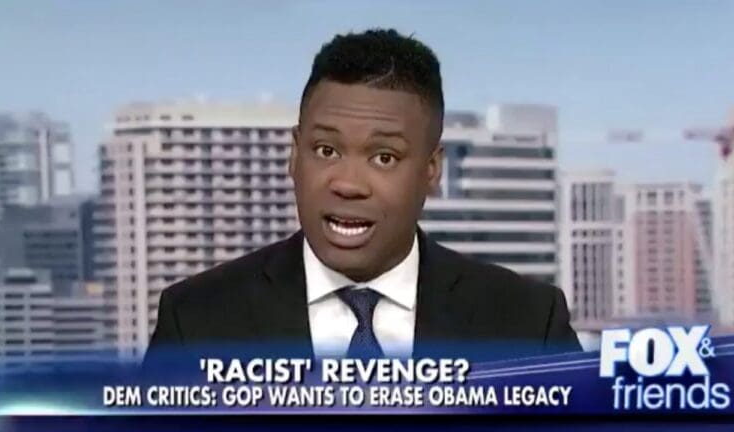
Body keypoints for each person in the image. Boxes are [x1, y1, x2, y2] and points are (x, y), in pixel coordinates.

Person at [144, 28, 581, 365]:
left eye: (384, 157)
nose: (348, 184)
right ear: (294, 154)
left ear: (431, 171)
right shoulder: (196, 322)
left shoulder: (527, 324)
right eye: (326, 150)